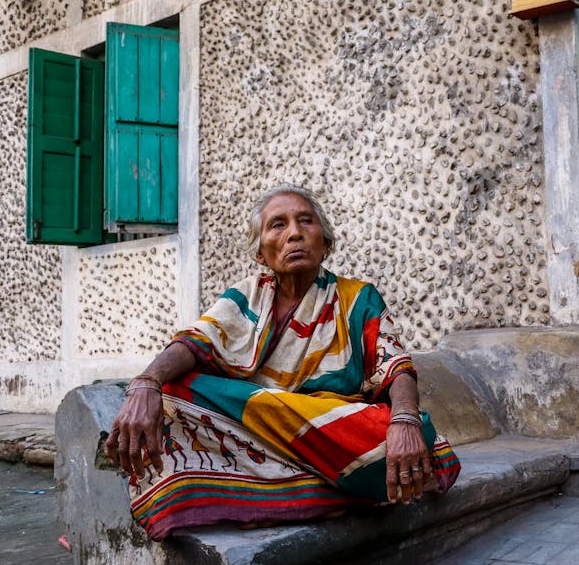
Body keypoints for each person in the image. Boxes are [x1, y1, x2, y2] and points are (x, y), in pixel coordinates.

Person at [106, 185, 460, 540]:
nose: (294, 233)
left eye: (305, 221)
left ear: (325, 242)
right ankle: (334, 490)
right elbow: (195, 343)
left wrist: (403, 421)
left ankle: (268, 493)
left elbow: (396, 367)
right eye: (278, 225)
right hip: (264, 430)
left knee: (417, 437)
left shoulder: (356, 297)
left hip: (331, 430)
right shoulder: (246, 296)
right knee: (173, 391)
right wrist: (146, 382)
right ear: (260, 253)